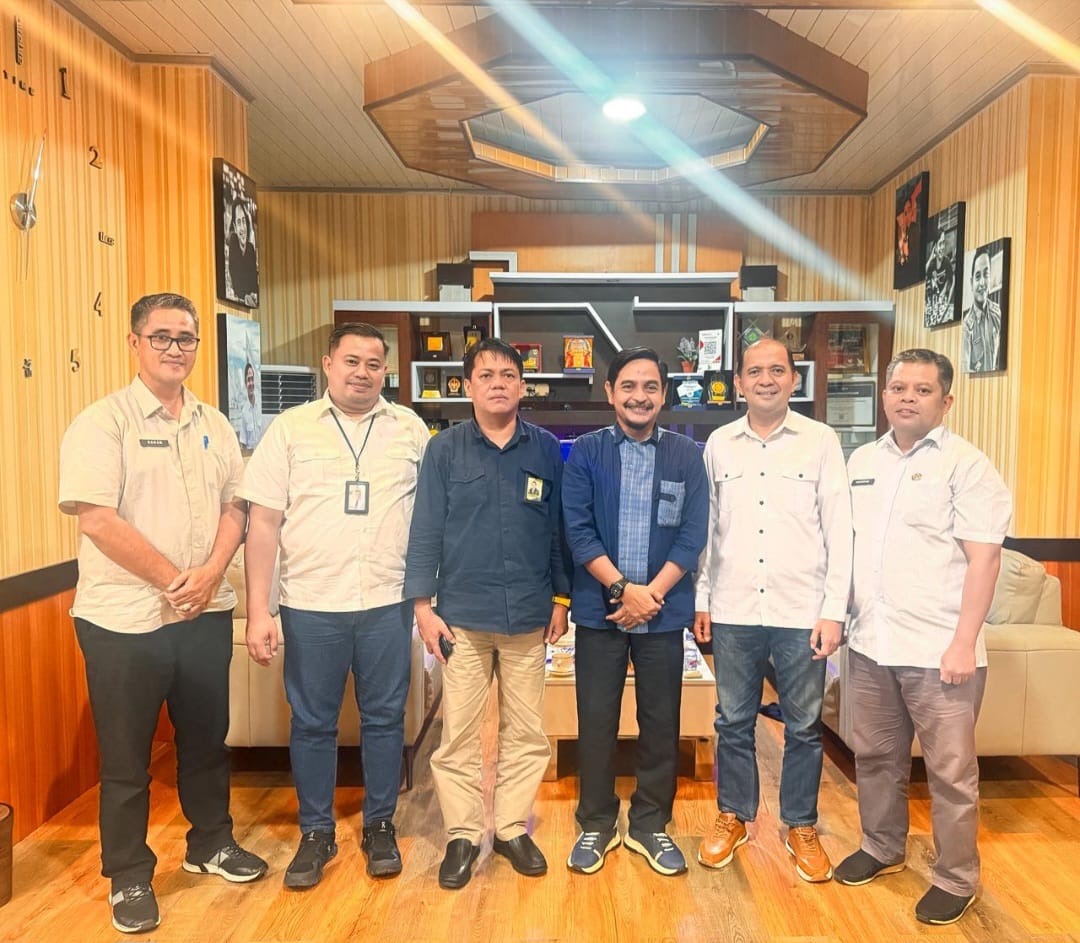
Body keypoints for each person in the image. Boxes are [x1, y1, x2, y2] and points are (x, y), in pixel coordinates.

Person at [58, 292, 267, 934]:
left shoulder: (214, 423)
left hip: (204, 613)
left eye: (186, 338)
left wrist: (210, 575)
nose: (176, 349)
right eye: (162, 337)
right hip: (124, 621)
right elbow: (96, 517)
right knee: (126, 759)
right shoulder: (103, 422)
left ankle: (211, 843)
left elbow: (237, 504)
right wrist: (175, 582)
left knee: (206, 742)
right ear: (135, 343)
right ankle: (128, 874)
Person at [240, 322, 428, 888]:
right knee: (313, 722)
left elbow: (432, 519)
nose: (362, 373)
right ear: (328, 364)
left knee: (384, 718)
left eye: (373, 364)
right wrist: (259, 611)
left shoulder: (410, 430)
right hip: (311, 603)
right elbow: (263, 524)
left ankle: (379, 824)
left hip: (387, 601)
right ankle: (316, 832)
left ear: (385, 371)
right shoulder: (291, 429)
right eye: (351, 361)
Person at [833, 348, 1011, 926]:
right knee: (875, 756)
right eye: (899, 387)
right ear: (884, 395)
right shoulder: (862, 460)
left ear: (946, 401)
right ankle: (882, 846)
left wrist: (964, 642)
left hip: (940, 651)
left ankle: (957, 877)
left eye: (922, 389)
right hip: (870, 643)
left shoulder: (968, 466)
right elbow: (846, 549)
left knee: (950, 773)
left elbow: (984, 561)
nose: (907, 397)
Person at [404, 338, 571, 890]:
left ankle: (511, 829)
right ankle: (462, 833)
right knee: (458, 736)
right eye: (486, 375)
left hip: (528, 616)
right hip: (463, 619)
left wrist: (561, 600)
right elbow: (425, 528)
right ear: (469, 386)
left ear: (522, 386)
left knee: (527, 733)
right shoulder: (445, 450)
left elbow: (557, 531)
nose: (498, 383)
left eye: (508, 375)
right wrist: (423, 608)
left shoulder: (546, 448)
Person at [692, 338, 852, 882]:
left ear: (793, 379)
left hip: (802, 609)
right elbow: (708, 530)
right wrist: (702, 598)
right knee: (733, 721)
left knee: (803, 725)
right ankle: (734, 815)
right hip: (734, 606)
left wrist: (834, 610)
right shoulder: (719, 444)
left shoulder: (821, 441)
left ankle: (800, 824)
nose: (766, 380)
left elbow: (840, 530)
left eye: (776, 370)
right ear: (738, 382)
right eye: (755, 371)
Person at [561, 347, 708, 877]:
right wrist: (624, 590)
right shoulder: (586, 452)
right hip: (600, 613)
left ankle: (650, 823)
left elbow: (693, 534)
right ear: (610, 392)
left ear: (664, 394)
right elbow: (577, 530)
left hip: (663, 614)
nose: (639, 396)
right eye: (628, 386)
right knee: (596, 720)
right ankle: (597, 822)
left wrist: (650, 596)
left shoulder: (686, 455)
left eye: (650, 386)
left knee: (660, 721)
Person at [960, 250, 1002, 372]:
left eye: (986, 275)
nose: (982, 283)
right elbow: (965, 369)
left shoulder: (997, 313)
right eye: (978, 276)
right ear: (971, 283)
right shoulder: (966, 326)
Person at [227, 200, 258, 307]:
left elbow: (254, 284)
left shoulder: (250, 249)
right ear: (235, 227)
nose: (243, 228)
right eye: (239, 222)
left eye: (244, 221)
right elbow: (236, 284)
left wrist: (254, 294)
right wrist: (246, 296)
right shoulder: (233, 245)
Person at [236, 361, 264, 449]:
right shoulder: (244, 413)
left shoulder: (262, 406)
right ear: (245, 384)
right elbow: (243, 444)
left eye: (252, 379)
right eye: (248, 380)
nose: (251, 383)